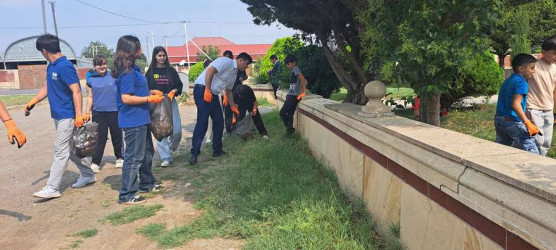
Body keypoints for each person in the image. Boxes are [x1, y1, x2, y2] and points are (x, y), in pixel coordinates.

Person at [25, 34, 95, 198]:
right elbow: (47, 87)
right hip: (58, 115)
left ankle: (52, 188)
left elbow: (76, 90)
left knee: (60, 150)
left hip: (67, 115)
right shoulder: (52, 66)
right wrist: (33, 101)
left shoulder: (65, 66)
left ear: (44, 51)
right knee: (70, 149)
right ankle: (88, 175)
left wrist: (78, 115)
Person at [112, 35, 165, 205]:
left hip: (141, 119)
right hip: (132, 120)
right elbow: (126, 98)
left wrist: (151, 92)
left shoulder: (134, 69)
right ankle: (127, 194)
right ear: (131, 50)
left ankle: (147, 183)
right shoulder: (127, 73)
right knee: (133, 157)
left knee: (146, 153)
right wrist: (149, 100)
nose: (141, 50)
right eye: (139, 47)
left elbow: (137, 92)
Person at [190, 52, 253, 165]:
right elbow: (210, 70)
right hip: (202, 89)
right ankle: (194, 153)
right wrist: (207, 90)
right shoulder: (226, 61)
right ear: (241, 60)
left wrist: (233, 107)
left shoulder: (234, 74)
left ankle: (217, 150)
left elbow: (228, 91)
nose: (246, 67)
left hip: (213, 94)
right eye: (247, 64)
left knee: (219, 122)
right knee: (202, 122)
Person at [145, 46, 184, 167]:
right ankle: (165, 157)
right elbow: (145, 88)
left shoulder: (171, 71)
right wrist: (152, 92)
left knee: (176, 130)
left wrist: (173, 91)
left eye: (163, 55)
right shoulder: (150, 72)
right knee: (160, 130)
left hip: (170, 102)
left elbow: (179, 85)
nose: (162, 58)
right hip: (156, 103)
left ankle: (172, 147)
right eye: (159, 56)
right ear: (154, 57)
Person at [84, 55, 124, 173]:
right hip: (98, 112)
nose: (102, 66)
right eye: (99, 64)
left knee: (116, 135)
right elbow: (90, 96)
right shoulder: (90, 79)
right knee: (99, 138)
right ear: (94, 66)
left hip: (114, 111)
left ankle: (120, 157)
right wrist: (87, 112)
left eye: (105, 64)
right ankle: (96, 162)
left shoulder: (114, 75)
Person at [494, 53, 540, 154]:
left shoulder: (508, 80)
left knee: (501, 149)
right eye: (532, 68)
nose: (534, 71)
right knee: (532, 151)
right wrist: (527, 123)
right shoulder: (521, 82)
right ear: (521, 68)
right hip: (512, 121)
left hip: (499, 119)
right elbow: (515, 105)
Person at [526, 35, 556, 156]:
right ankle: (526, 160)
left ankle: (539, 162)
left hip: (548, 110)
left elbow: (554, 91)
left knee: (546, 142)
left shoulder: (555, 68)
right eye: (554, 53)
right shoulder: (533, 66)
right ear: (543, 52)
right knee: (537, 140)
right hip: (533, 108)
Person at [280, 54, 307, 136]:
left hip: (293, 96)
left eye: (289, 64)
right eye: (287, 65)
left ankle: (289, 128)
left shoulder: (296, 69)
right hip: (292, 95)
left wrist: (303, 91)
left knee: (282, 113)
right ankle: (289, 131)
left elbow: (302, 79)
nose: (288, 66)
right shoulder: (294, 70)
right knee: (290, 114)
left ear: (294, 62)